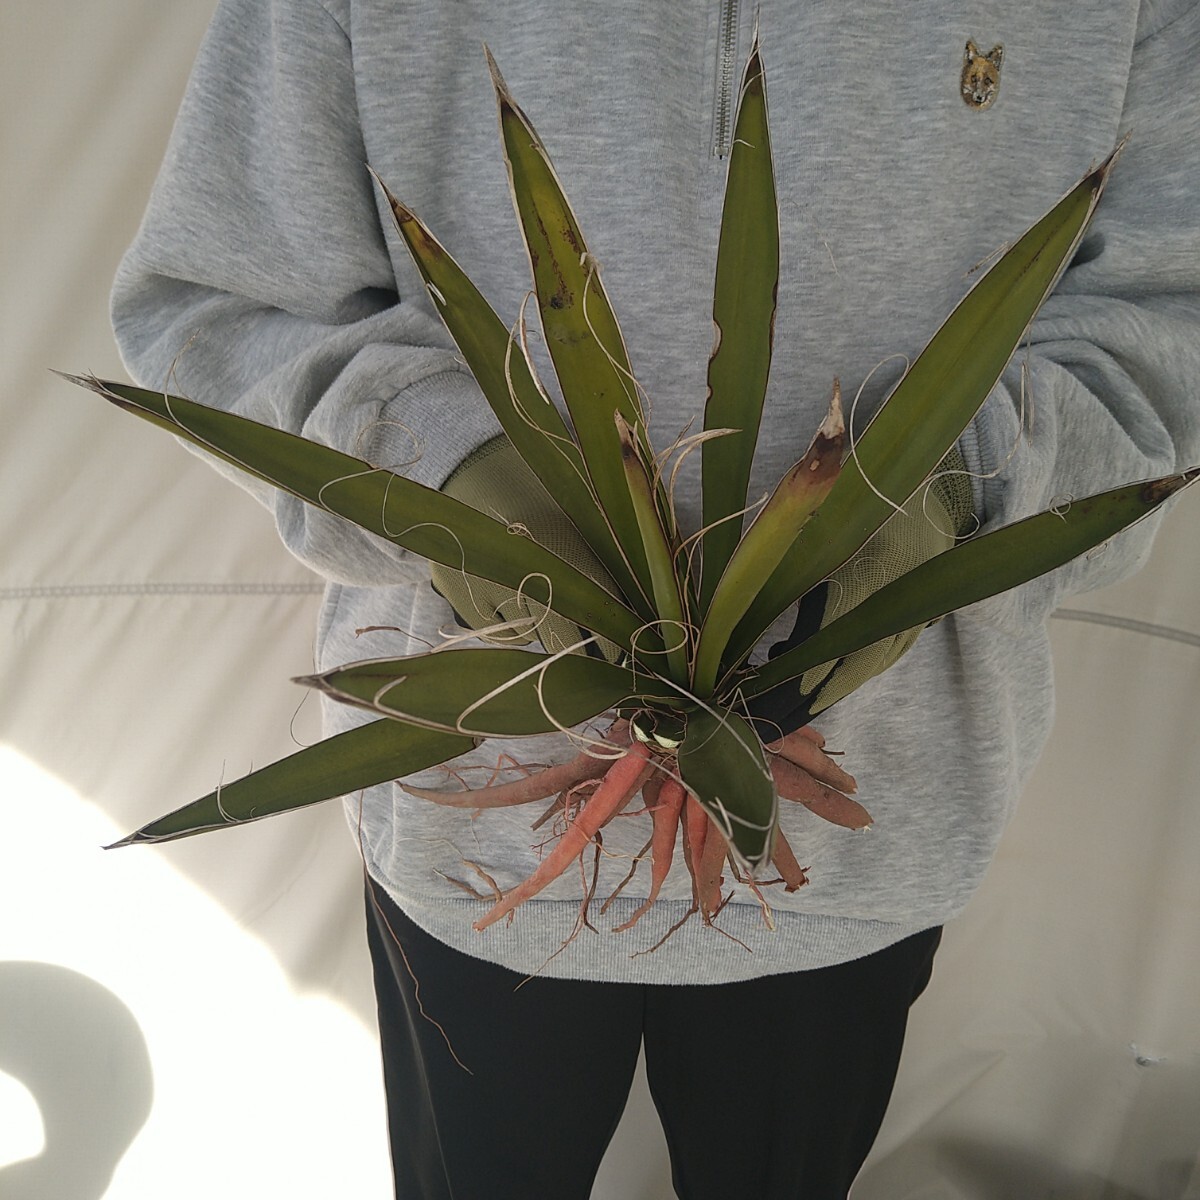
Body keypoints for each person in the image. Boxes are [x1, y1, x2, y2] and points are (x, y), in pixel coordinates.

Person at [111, 3, 1200, 1196]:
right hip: (469, 824)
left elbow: (1168, 315)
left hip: (870, 835)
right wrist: (459, 495)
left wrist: (951, 494)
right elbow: (222, 305)